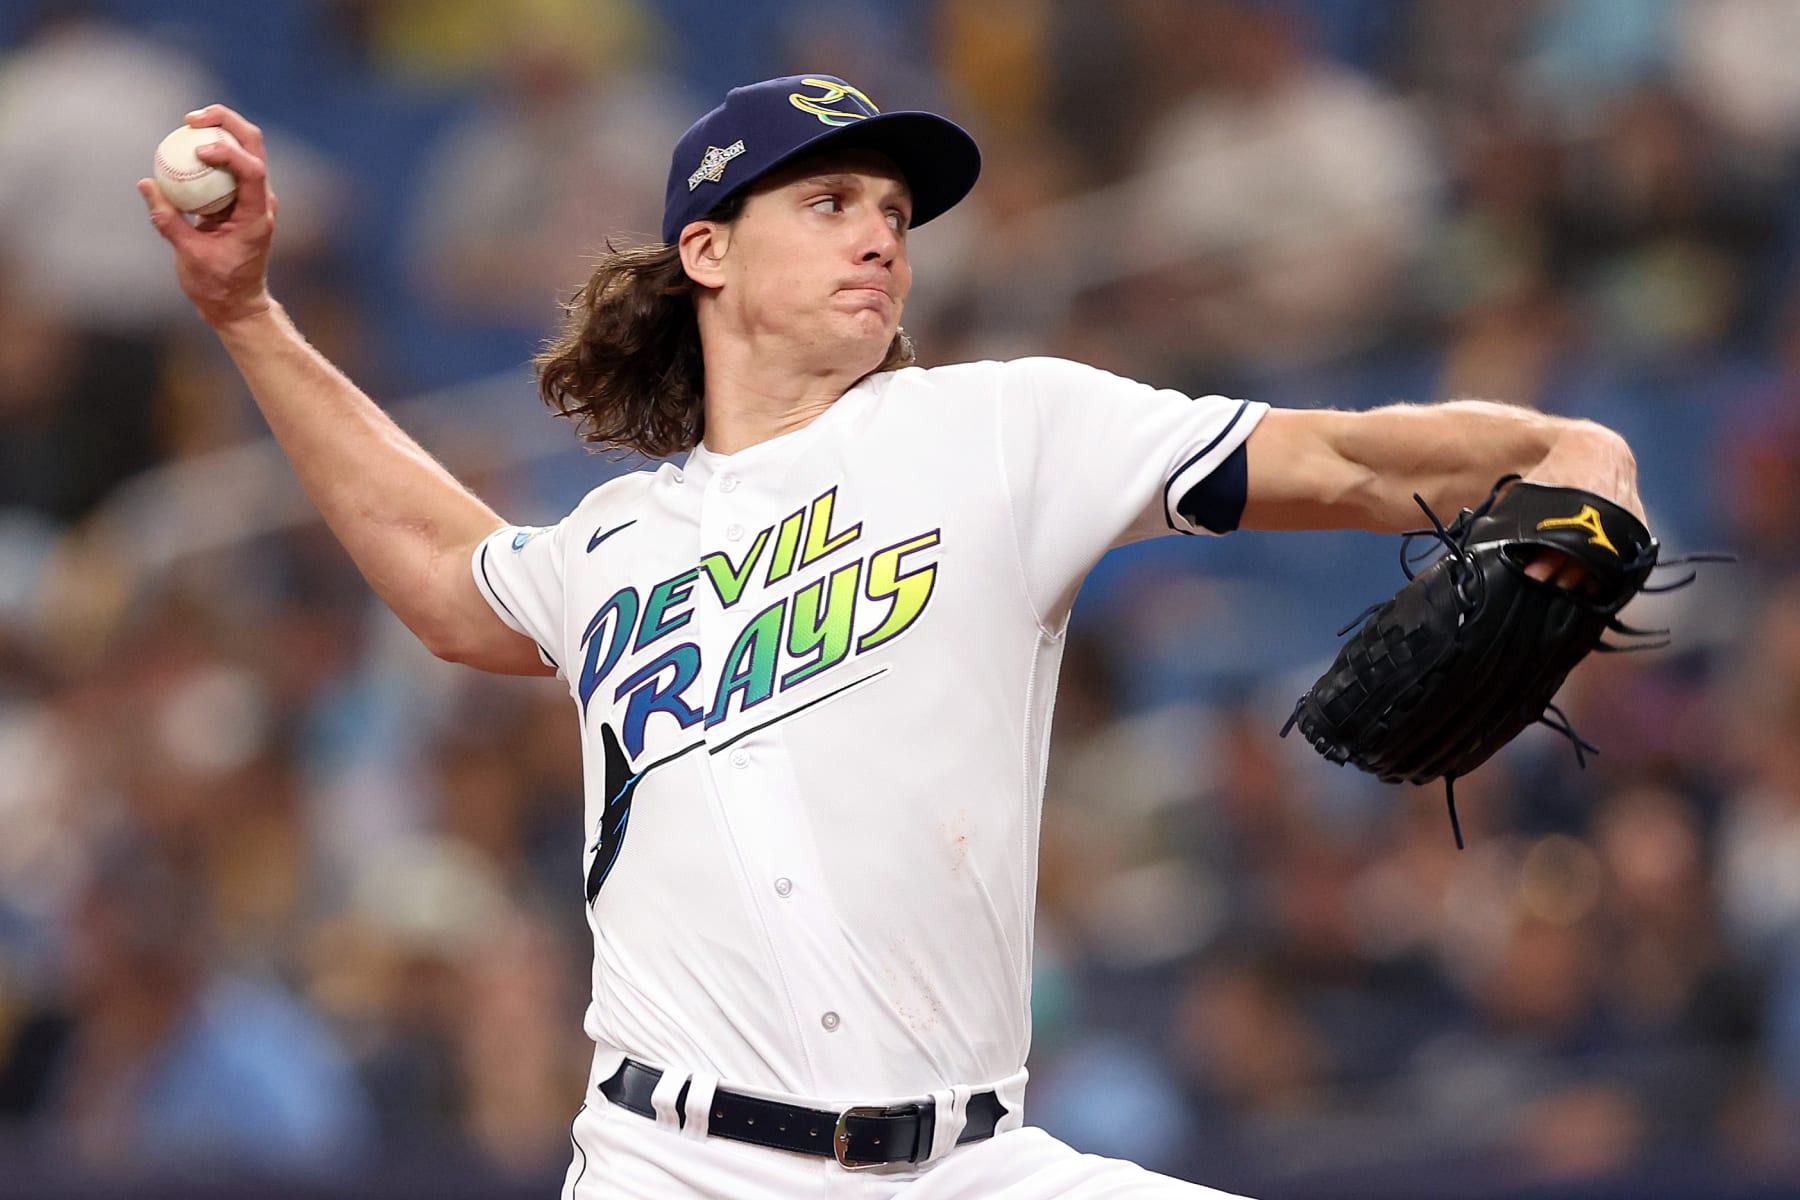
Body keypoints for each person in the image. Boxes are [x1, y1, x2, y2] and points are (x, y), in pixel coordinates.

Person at [140, 73, 1642, 1200]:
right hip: (678, 1166)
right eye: (831, 203)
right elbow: (444, 576)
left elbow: (1352, 458)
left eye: (895, 216)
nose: (880, 236)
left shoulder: (1006, 429)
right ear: (708, 250)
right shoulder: (611, 544)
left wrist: (1561, 445)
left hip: (976, 1165)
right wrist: (249, 316)